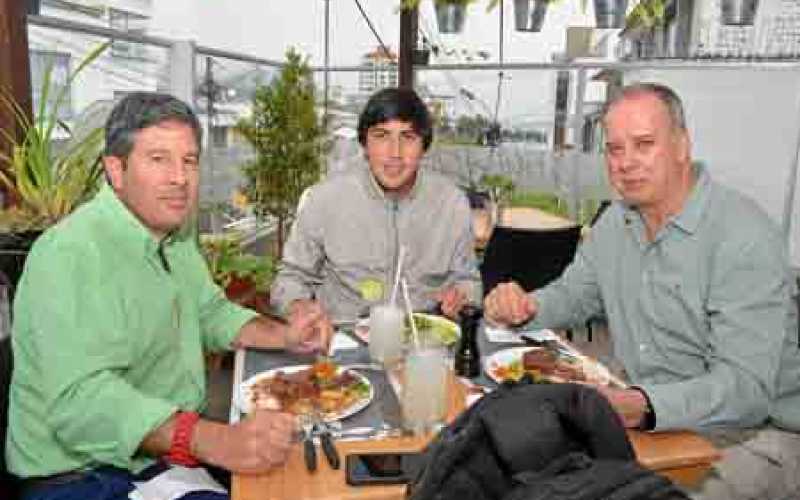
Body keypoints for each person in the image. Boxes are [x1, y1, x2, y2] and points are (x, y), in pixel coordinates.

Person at [6, 92, 333, 500]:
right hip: (82, 476)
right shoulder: (69, 252)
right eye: (158, 159)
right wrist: (213, 440)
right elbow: (82, 405)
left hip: (161, 461)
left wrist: (285, 335)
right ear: (116, 170)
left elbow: (210, 313)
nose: (179, 178)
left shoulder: (172, 237)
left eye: (189, 160)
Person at [484, 83, 800, 433]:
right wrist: (523, 307)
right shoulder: (615, 224)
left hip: (755, 435)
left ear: (682, 146)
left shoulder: (743, 236)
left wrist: (643, 406)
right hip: (644, 413)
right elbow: (572, 295)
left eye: (644, 145)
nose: (626, 163)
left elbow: (746, 391)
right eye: (614, 149)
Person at [271, 88, 481, 322]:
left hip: (424, 340)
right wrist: (298, 306)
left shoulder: (451, 203)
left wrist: (463, 297)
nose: (395, 153)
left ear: (424, 146)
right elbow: (290, 278)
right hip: (343, 337)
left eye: (408, 137)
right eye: (381, 136)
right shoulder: (324, 199)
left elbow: (468, 280)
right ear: (365, 144)